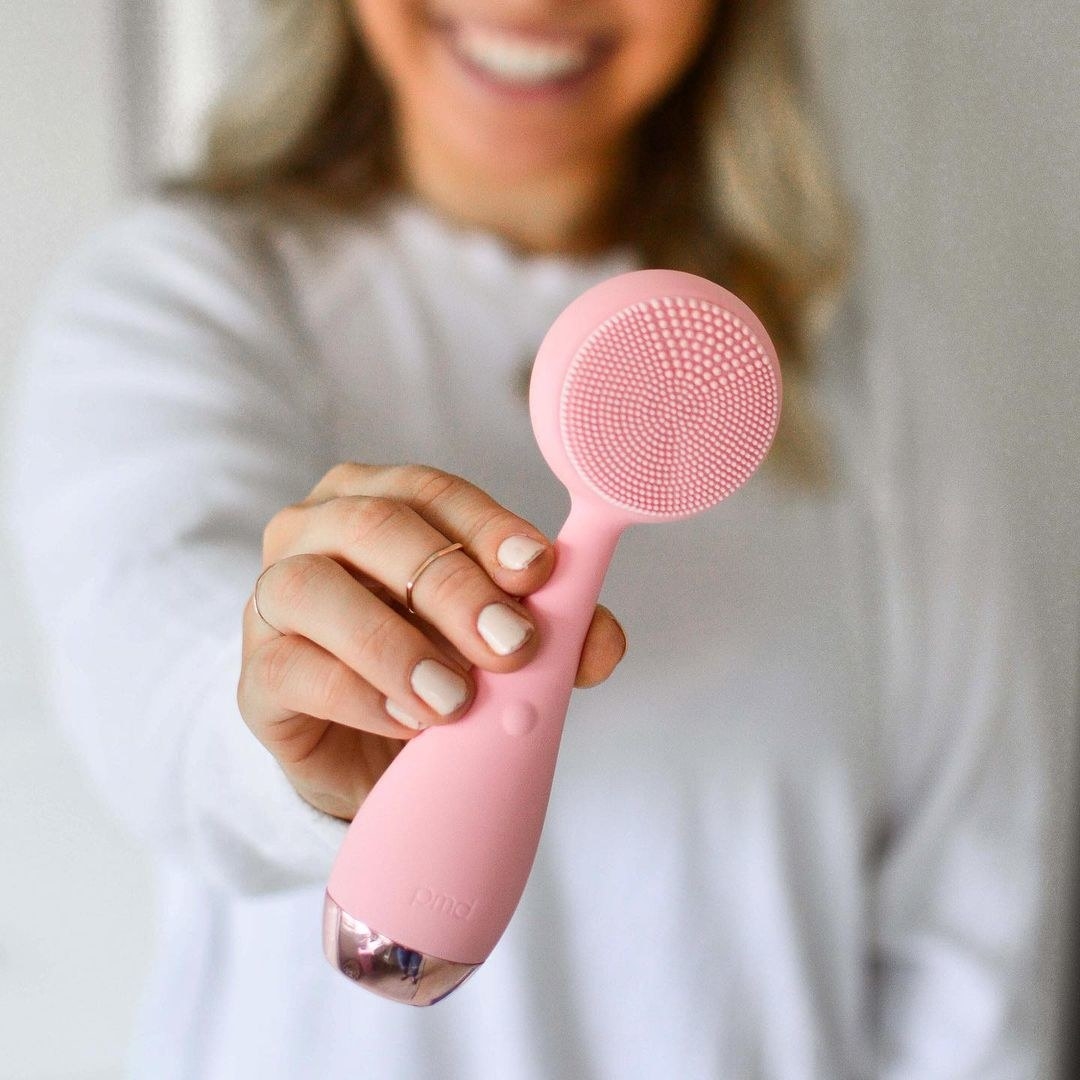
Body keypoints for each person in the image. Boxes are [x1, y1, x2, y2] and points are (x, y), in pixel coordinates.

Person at [4, 0, 1062, 1076]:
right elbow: (143, 638)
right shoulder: (185, 293)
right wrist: (278, 709)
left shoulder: (865, 369)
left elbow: (973, 918)